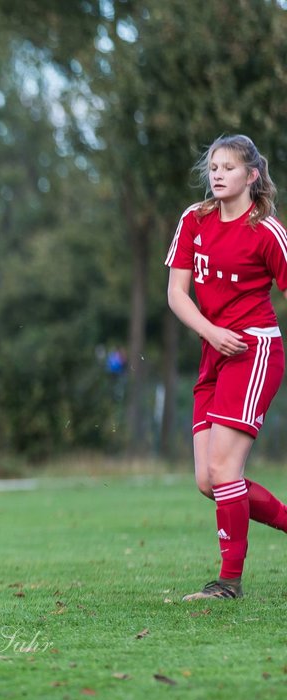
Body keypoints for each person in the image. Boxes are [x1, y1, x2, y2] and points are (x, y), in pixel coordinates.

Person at [165, 134, 287, 601]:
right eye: (213, 166)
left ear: (251, 176)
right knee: (207, 481)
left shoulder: (267, 231)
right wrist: (211, 333)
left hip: (253, 353)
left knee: (223, 470)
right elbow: (177, 293)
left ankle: (228, 583)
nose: (217, 174)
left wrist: (225, 336)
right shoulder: (194, 220)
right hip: (214, 352)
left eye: (228, 167)